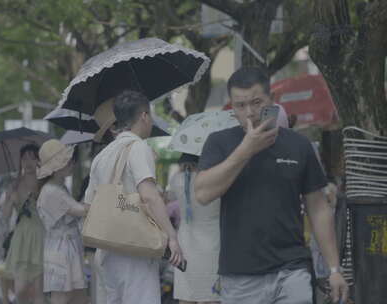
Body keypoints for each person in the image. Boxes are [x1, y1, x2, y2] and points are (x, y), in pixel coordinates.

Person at [194, 67, 349, 304]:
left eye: (256, 103)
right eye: (240, 106)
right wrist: (245, 151)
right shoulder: (220, 142)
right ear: (232, 107)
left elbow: (318, 208)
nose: (249, 113)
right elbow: (203, 193)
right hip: (240, 275)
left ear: (272, 100)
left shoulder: (299, 145)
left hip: (292, 269)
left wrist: (334, 269)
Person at [84, 90, 184, 304]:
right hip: (135, 250)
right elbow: (149, 197)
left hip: (107, 251)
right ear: (144, 116)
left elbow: (89, 205)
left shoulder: (101, 156)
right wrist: (172, 237)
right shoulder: (138, 148)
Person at [36, 139, 89, 304]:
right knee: (63, 297)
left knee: (77, 296)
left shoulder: (58, 187)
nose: (72, 163)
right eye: (68, 161)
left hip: (67, 247)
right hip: (61, 249)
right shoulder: (52, 191)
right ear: (57, 167)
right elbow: (82, 210)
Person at [0, 144, 46, 304]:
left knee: (39, 290)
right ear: (20, 162)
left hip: (42, 236)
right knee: (20, 289)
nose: (28, 162)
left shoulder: (45, 183)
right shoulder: (14, 185)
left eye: (32, 157)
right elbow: (5, 215)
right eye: (24, 158)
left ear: (38, 160)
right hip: (21, 239)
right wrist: (10, 199)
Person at [167, 153, 220, 304]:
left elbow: (169, 197)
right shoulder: (212, 181)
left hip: (185, 241)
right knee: (210, 294)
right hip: (212, 242)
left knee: (186, 293)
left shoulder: (176, 180)